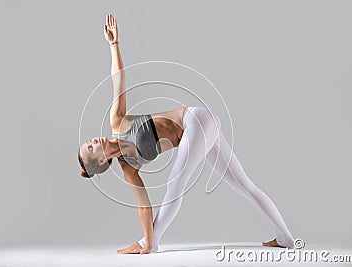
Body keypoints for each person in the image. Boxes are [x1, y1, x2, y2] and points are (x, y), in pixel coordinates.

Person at [78, 13, 295, 254]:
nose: (92, 141)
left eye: (88, 142)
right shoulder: (128, 168)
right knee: (242, 186)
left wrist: (113, 45)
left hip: (196, 119)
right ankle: (286, 238)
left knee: (175, 182)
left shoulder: (117, 122)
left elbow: (118, 79)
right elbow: (144, 207)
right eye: (90, 147)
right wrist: (146, 237)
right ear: (100, 160)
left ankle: (150, 244)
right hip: (199, 136)